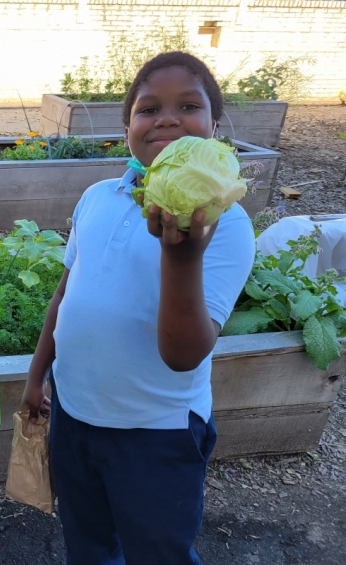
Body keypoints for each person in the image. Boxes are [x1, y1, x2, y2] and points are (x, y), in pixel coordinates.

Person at [20, 51, 256, 565]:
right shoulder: (97, 197)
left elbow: (183, 354)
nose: (167, 119)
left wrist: (181, 253)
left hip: (157, 434)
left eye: (188, 106)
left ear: (214, 126)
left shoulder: (225, 223)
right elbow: (64, 296)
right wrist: (38, 376)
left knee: (158, 551)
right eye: (148, 109)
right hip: (75, 415)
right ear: (127, 126)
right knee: (88, 544)